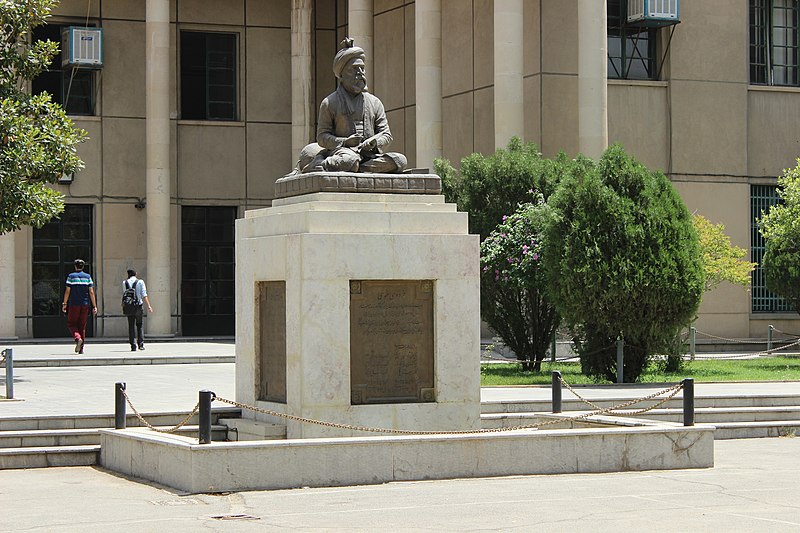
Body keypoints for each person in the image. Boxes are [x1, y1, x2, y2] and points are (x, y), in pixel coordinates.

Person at [295, 37, 407, 174]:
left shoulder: (374, 102)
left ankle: (352, 168)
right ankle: (324, 164)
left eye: (362, 69)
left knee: (400, 160)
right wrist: (345, 142)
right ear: (341, 75)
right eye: (354, 69)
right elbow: (322, 137)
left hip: (369, 156)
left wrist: (374, 142)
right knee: (349, 160)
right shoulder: (330, 103)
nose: (359, 74)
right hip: (342, 153)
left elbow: (386, 134)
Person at [61, 259, 97, 354]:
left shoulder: (71, 276)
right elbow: (91, 292)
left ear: (75, 266)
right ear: (83, 266)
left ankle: (78, 338)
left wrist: (64, 303)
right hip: (85, 304)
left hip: (74, 304)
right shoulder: (88, 277)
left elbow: (67, 291)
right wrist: (94, 306)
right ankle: (81, 349)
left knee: (71, 324)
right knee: (82, 326)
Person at [123, 269, 153, 351]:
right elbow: (144, 294)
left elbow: (124, 295)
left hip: (129, 306)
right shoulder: (140, 282)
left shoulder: (124, 282)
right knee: (139, 325)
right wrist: (149, 305)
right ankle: (141, 344)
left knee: (131, 326)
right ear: (136, 274)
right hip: (138, 305)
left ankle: (133, 345)